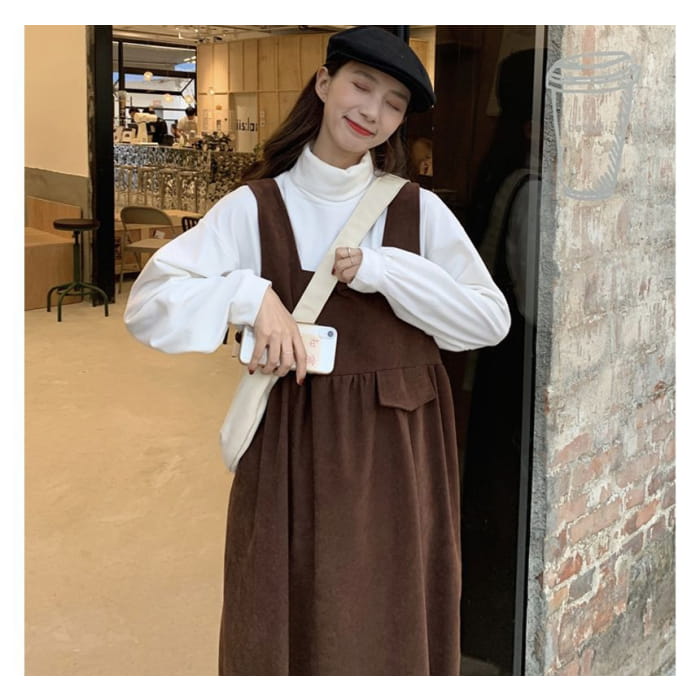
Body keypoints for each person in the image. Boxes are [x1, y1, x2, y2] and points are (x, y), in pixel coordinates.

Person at [123, 26, 510, 676]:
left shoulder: (417, 211)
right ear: (325, 84)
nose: (372, 111)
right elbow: (148, 305)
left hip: (399, 453)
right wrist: (249, 296)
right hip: (291, 447)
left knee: (389, 618)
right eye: (362, 85)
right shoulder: (255, 207)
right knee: (285, 617)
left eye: (393, 104)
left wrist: (386, 272)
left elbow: (488, 320)